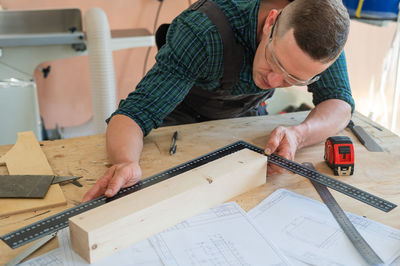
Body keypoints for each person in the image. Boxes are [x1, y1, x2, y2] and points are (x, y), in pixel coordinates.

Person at [82, 0, 354, 202]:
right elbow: (135, 113)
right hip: (177, 124)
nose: (273, 82)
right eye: (274, 61)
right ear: (271, 22)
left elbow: (340, 104)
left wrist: (299, 135)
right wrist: (125, 160)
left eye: (293, 79)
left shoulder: (319, 34)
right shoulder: (204, 32)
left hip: (244, 121)